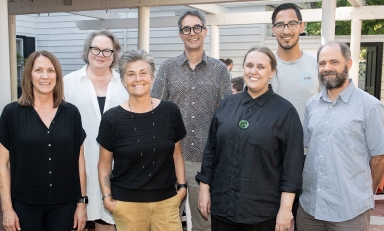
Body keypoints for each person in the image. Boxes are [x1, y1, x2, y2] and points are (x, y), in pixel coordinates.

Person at [196, 46, 304, 231]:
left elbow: (292, 167)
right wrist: (204, 190)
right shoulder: (226, 105)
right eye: (249, 65)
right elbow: (211, 151)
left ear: (272, 73)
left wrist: (285, 210)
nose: (253, 71)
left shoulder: (286, 112)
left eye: (261, 67)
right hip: (223, 208)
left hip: (262, 214)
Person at [151, 10, 232, 231]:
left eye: (197, 28)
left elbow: (228, 115)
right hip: (170, 159)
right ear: (180, 34)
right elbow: (153, 107)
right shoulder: (167, 68)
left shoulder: (220, 70)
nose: (192, 33)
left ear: (205, 31)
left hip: (204, 162)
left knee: (205, 222)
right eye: (186, 29)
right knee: (167, 222)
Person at [297, 41, 384, 231]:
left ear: (349, 64)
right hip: (310, 208)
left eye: (334, 62)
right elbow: (308, 149)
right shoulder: (312, 104)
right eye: (322, 63)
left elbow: (379, 158)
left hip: (350, 211)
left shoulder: (370, 106)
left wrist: (364, 195)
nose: (327, 68)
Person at [97, 50, 187, 231]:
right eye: (131, 74)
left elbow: (177, 153)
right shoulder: (111, 118)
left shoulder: (170, 111)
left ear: (152, 77)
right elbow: (104, 164)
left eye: (143, 73)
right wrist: (107, 198)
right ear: (123, 80)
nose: (138, 79)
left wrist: (182, 188)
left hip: (167, 202)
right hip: (128, 206)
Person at [0, 50, 87, 231]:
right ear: (29, 75)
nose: (45, 76)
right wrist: (7, 209)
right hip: (24, 204)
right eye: (39, 70)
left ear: (57, 75)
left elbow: (79, 162)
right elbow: (2, 164)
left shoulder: (71, 113)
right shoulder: (11, 113)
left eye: (51, 70)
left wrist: (81, 204)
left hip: (64, 205)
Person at [64, 30, 128, 230]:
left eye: (107, 51)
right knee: (75, 220)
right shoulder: (68, 83)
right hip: (80, 165)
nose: (101, 54)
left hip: (120, 168)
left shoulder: (126, 83)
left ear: (114, 55)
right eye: (96, 49)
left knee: (110, 221)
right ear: (87, 51)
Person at [271, 3, 321, 123]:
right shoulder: (263, 65)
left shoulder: (317, 65)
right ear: (273, 29)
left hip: (308, 141)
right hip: (270, 141)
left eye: (292, 24)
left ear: (301, 27)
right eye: (280, 25)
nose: (286, 31)